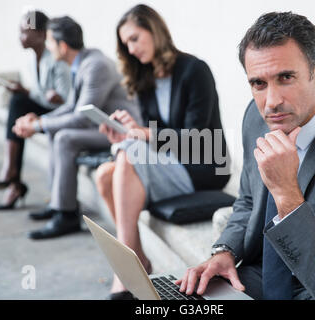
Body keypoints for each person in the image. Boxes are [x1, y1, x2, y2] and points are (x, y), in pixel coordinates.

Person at [176, 12, 315, 300]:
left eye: (285, 77)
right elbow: (248, 201)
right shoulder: (255, 118)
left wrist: (286, 195)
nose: (271, 102)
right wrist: (225, 251)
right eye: (258, 83)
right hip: (262, 273)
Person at [94, 4, 231, 300]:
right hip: (168, 162)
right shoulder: (144, 78)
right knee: (105, 175)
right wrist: (131, 132)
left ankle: (125, 274)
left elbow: (195, 138)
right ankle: (139, 259)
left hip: (203, 165)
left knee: (128, 152)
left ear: (154, 31)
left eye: (134, 39)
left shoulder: (195, 70)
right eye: (124, 44)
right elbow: (153, 136)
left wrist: (142, 135)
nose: (130, 49)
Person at [12, 16, 141, 240]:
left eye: (50, 42)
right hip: (100, 128)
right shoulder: (82, 62)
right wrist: (40, 121)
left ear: (62, 46)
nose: (49, 48)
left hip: (121, 132)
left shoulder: (96, 65)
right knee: (57, 132)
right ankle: (58, 204)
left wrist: (38, 125)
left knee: (64, 138)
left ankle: (67, 214)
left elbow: (81, 118)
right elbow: (72, 106)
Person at [0, 10, 71, 211]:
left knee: (18, 105)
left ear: (43, 34)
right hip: (43, 109)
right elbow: (39, 94)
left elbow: (67, 101)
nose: (21, 37)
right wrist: (26, 91)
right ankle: (12, 178)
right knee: (18, 109)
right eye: (20, 32)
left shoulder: (56, 58)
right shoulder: (30, 61)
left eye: (26, 32)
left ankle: (12, 178)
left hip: (58, 114)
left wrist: (33, 94)